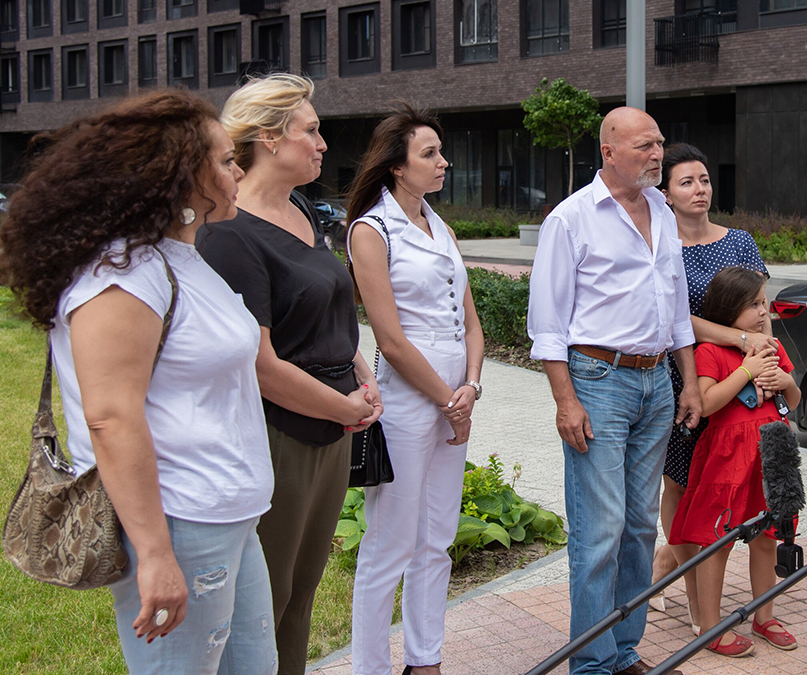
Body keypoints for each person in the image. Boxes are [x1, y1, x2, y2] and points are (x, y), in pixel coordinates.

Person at [0, 90, 277, 673]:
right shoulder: (123, 275)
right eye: (227, 160)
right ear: (181, 175)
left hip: (227, 516)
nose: (238, 172)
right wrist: (154, 556)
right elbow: (110, 416)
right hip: (180, 520)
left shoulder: (180, 257)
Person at [194, 73, 381, 675]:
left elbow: (330, 309)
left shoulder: (300, 209)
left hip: (330, 430)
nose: (323, 142)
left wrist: (360, 371)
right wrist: (345, 407)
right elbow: (260, 363)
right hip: (280, 435)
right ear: (270, 139)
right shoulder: (229, 232)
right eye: (312, 129)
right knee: (262, 609)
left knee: (298, 601)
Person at [527, 107, 703, 675]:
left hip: (656, 382)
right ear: (609, 152)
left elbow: (677, 307)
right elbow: (548, 326)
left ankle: (624, 652)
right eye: (644, 146)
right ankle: (593, 665)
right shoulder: (571, 219)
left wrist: (691, 381)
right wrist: (565, 400)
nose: (657, 155)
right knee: (599, 532)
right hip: (597, 383)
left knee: (638, 528)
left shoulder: (661, 209)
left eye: (659, 143)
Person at [344, 102, 484, 675]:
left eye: (441, 152)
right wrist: (450, 401)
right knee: (390, 544)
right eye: (430, 154)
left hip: (456, 398)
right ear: (397, 167)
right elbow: (392, 342)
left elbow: (470, 321)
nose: (443, 162)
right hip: (406, 402)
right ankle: (371, 667)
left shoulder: (440, 224)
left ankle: (425, 660)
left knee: (437, 540)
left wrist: (471, 386)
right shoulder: (370, 230)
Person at [649, 143, 771, 627]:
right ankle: (696, 592)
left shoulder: (740, 241)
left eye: (703, 179)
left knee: (732, 482)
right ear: (667, 195)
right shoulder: (662, 247)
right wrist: (741, 340)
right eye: (686, 182)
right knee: (681, 481)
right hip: (686, 377)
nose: (699, 189)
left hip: (742, 379)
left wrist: (766, 360)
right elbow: (679, 319)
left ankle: (668, 564)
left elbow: (764, 308)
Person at [668, 266, 802, 657]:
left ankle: (765, 615)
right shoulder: (710, 351)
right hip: (727, 462)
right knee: (718, 540)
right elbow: (706, 403)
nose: (763, 312)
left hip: (771, 457)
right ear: (728, 310)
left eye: (763, 303)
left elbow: (791, 401)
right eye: (754, 305)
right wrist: (747, 370)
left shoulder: (770, 348)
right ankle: (711, 626)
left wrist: (786, 384)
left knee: (767, 538)